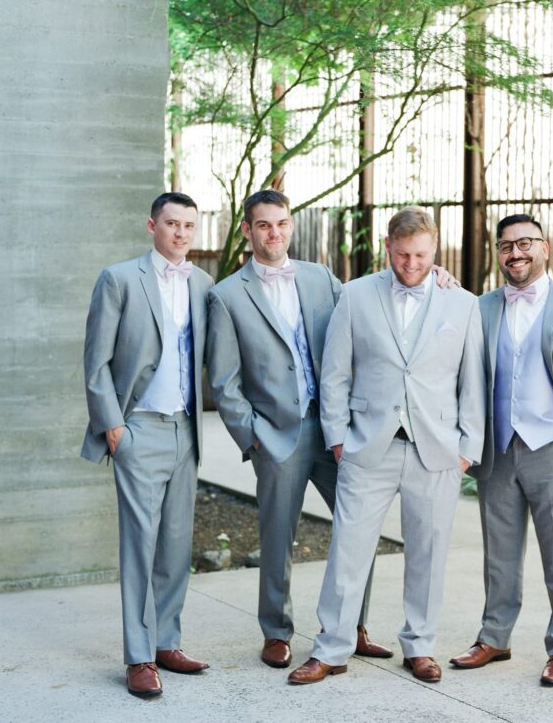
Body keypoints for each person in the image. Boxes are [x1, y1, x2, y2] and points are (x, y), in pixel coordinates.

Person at [287, 206, 486, 685]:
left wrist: (467, 449)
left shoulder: (462, 303)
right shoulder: (356, 296)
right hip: (366, 448)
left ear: (435, 250)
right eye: (402, 255)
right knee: (348, 551)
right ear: (387, 248)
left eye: (420, 255)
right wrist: (338, 438)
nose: (411, 265)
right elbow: (334, 372)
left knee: (429, 552)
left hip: (436, 449)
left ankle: (419, 646)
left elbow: (472, 382)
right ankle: (331, 648)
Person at [205, 189, 394, 668]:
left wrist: (434, 273)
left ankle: (352, 624)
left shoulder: (323, 279)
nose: (275, 233)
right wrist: (253, 438)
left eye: (283, 223)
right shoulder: (226, 296)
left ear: (291, 225)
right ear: (247, 230)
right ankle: (276, 630)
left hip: (334, 431)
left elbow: (369, 317)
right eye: (264, 225)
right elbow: (224, 381)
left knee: (358, 528)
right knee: (277, 536)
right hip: (276, 436)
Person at [448, 213, 553, 687]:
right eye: (506, 246)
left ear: (545, 247)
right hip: (498, 446)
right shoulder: (480, 308)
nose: (516, 253)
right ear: (497, 252)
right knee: (498, 552)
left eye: (526, 243)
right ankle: (494, 637)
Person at [81, 192, 214, 698]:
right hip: (138, 429)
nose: (180, 233)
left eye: (189, 226)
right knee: (140, 544)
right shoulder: (119, 279)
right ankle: (138, 656)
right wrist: (114, 428)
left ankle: (166, 642)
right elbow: (95, 361)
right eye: (171, 223)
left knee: (176, 544)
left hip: (186, 430)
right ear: (151, 225)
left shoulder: (203, 284)